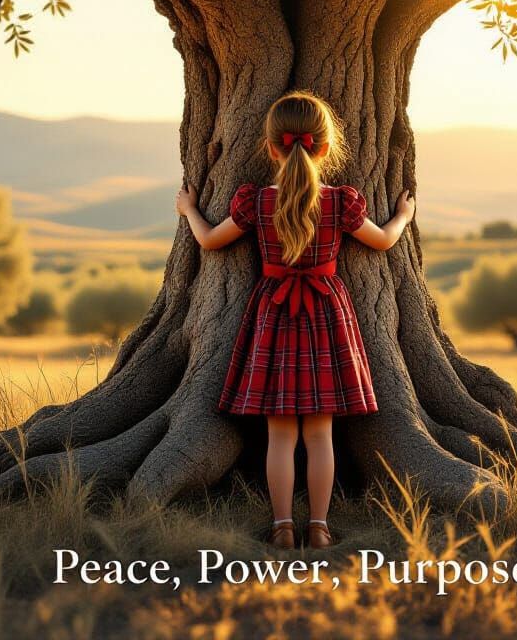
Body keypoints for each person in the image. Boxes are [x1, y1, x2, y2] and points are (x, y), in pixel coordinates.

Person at [175, 90, 415, 550]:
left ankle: (283, 526)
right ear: (325, 148)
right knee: (321, 432)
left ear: (271, 147)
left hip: (274, 314)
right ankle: (320, 528)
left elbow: (209, 240)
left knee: (280, 434)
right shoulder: (341, 202)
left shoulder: (256, 202)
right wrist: (403, 215)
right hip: (327, 314)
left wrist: (189, 209)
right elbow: (384, 240)